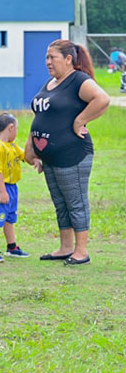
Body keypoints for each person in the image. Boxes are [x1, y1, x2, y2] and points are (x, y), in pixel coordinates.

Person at [27, 39, 109, 265]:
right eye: (46, 57)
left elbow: (102, 99)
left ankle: (81, 251)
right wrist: (30, 147)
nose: (48, 62)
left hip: (73, 154)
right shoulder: (51, 83)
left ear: (68, 59)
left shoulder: (78, 80)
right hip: (50, 157)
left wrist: (80, 121)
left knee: (75, 202)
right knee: (60, 203)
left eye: (52, 57)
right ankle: (65, 247)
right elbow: (41, 116)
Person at [0, 113, 30, 262]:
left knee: (10, 217)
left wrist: (35, 160)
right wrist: (2, 191)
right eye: (16, 128)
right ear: (10, 128)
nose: (17, 132)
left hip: (12, 187)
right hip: (0, 187)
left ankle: (12, 247)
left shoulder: (12, 146)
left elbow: (25, 156)